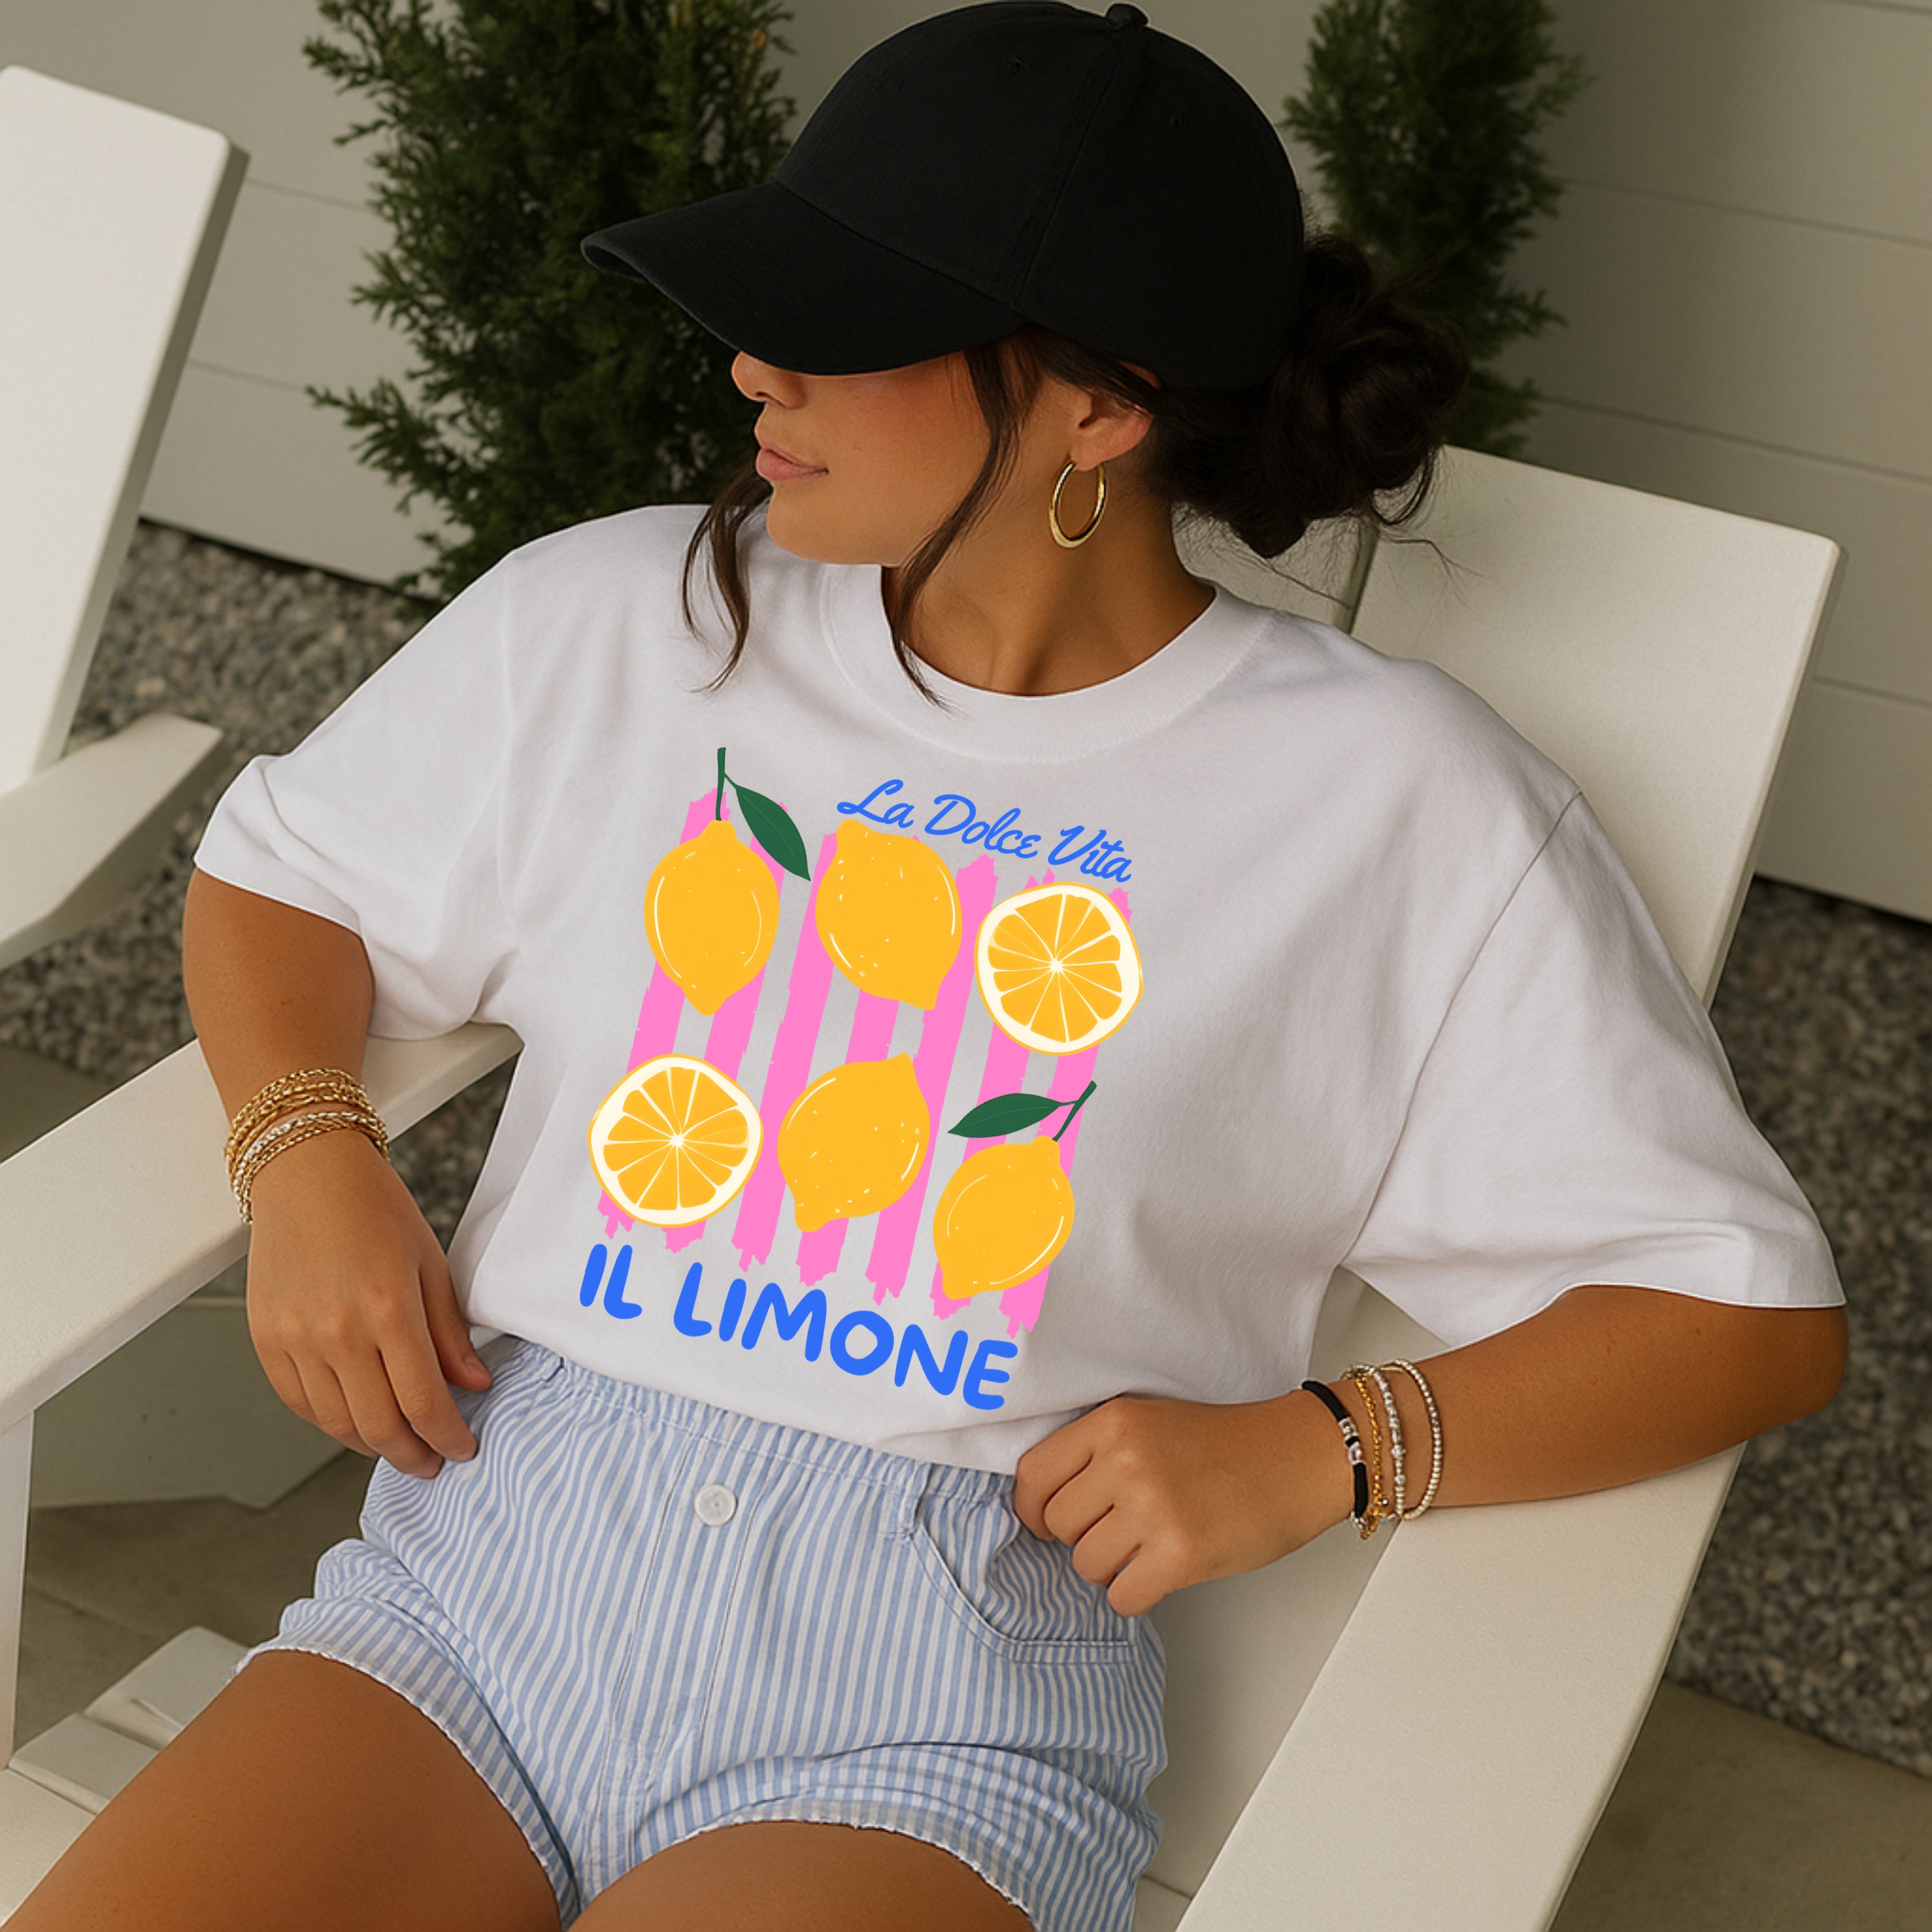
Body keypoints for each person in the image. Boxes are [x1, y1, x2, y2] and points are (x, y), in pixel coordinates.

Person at [12, 5, 1846, 1929]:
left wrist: (1333, 1450)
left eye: (843, 323)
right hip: (471, 1600)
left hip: (924, 1710)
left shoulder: (1403, 810)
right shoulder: (625, 620)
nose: (755, 364)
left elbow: (1740, 1308)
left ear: (1100, 407)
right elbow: (287, 876)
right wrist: (306, 1149)